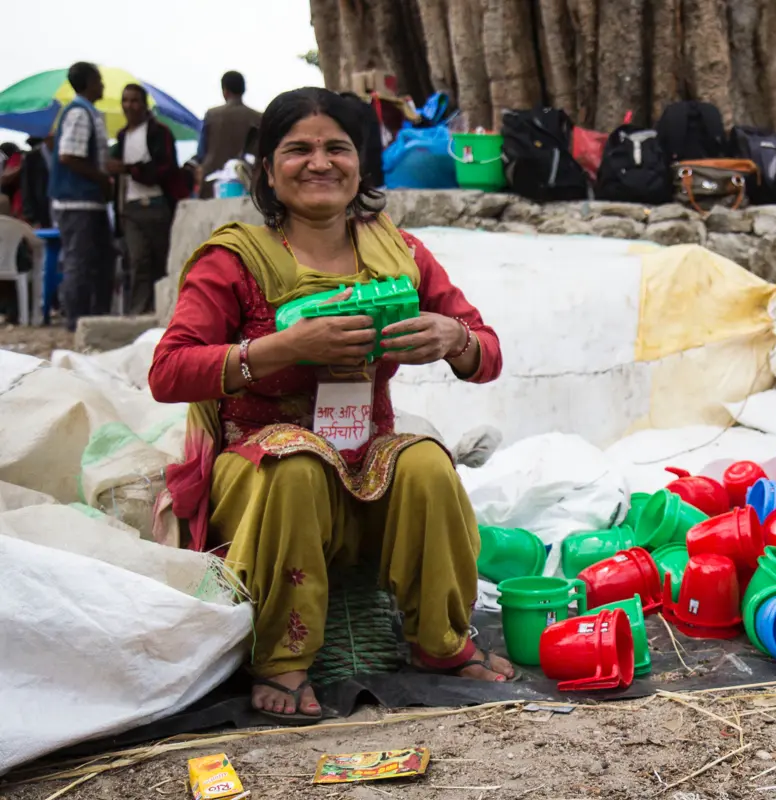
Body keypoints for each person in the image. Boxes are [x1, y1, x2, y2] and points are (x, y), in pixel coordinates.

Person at [149, 87, 510, 725]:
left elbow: (486, 351)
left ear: (362, 166)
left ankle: (440, 643)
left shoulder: (400, 253)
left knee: (425, 462)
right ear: (266, 169)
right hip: (261, 476)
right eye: (298, 150)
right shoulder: (234, 261)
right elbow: (170, 371)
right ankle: (283, 660)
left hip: (365, 464)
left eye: (336, 147)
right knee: (296, 464)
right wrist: (279, 348)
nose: (320, 163)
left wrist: (453, 339)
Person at [109, 83, 188, 314]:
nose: (129, 105)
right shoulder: (122, 137)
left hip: (157, 206)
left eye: (134, 100)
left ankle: (164, 311)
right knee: (137, 261)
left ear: (144, 105)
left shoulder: (159, 133)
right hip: (130, 209)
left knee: (161, 262)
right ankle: (138, 313)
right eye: (125, 100)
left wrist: (129, 169)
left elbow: (165, 169)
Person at [49, 61, 116, 331]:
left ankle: (95, 318)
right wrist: (102, 177)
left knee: (99, 260)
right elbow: (68, 156)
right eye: (99, 80)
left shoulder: (88, 112)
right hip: (77, 201)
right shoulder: (79, 113)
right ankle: (76, 321)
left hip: (89, 201)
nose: (102, 85)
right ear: (88, 82)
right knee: (80, 261)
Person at [196, 71, 262, 198]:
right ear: (243, 90)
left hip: (213, 180)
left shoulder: (212, 115)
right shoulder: (257, 117)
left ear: (224, 90)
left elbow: (201, 152)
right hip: (247, 179)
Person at [20, 136, 52, 229]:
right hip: (42, 209)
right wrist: (31, 216)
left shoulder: (66, 154)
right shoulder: (32, 157)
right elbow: (26, 187)